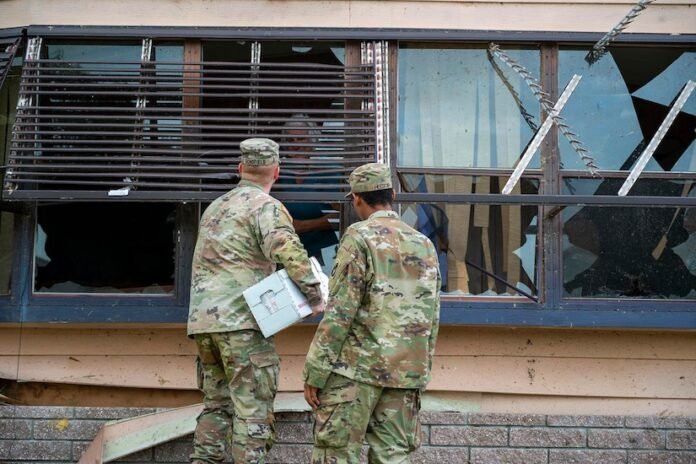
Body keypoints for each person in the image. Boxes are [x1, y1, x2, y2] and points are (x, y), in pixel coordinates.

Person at [187, 138, 324, 464]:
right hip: (243, 324)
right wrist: (315, 295)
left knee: (216, 405)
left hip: (204, 323)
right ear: (276, 172)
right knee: (252, 411)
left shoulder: (216, 207)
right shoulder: (266, 207)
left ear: (240, 169)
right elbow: (288, 250)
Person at [302, 163, 441, 463]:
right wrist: (421, 371)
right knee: (393, 457)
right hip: (405, 372)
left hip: (355, 370)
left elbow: (340, 311)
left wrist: (315, 371)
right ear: (392, 194)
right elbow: (432, 315)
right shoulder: (424, 244)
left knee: (336, 454)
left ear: (356, 199)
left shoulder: (358, 237)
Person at [280, 114, 339, 266]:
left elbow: (341, 217)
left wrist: (302, 226)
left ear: (312, 142)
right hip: (283, 254)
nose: (295, 145)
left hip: (322, 255)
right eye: (290, 140)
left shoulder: (328, 174)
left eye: (301, 139)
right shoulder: (278, 175)